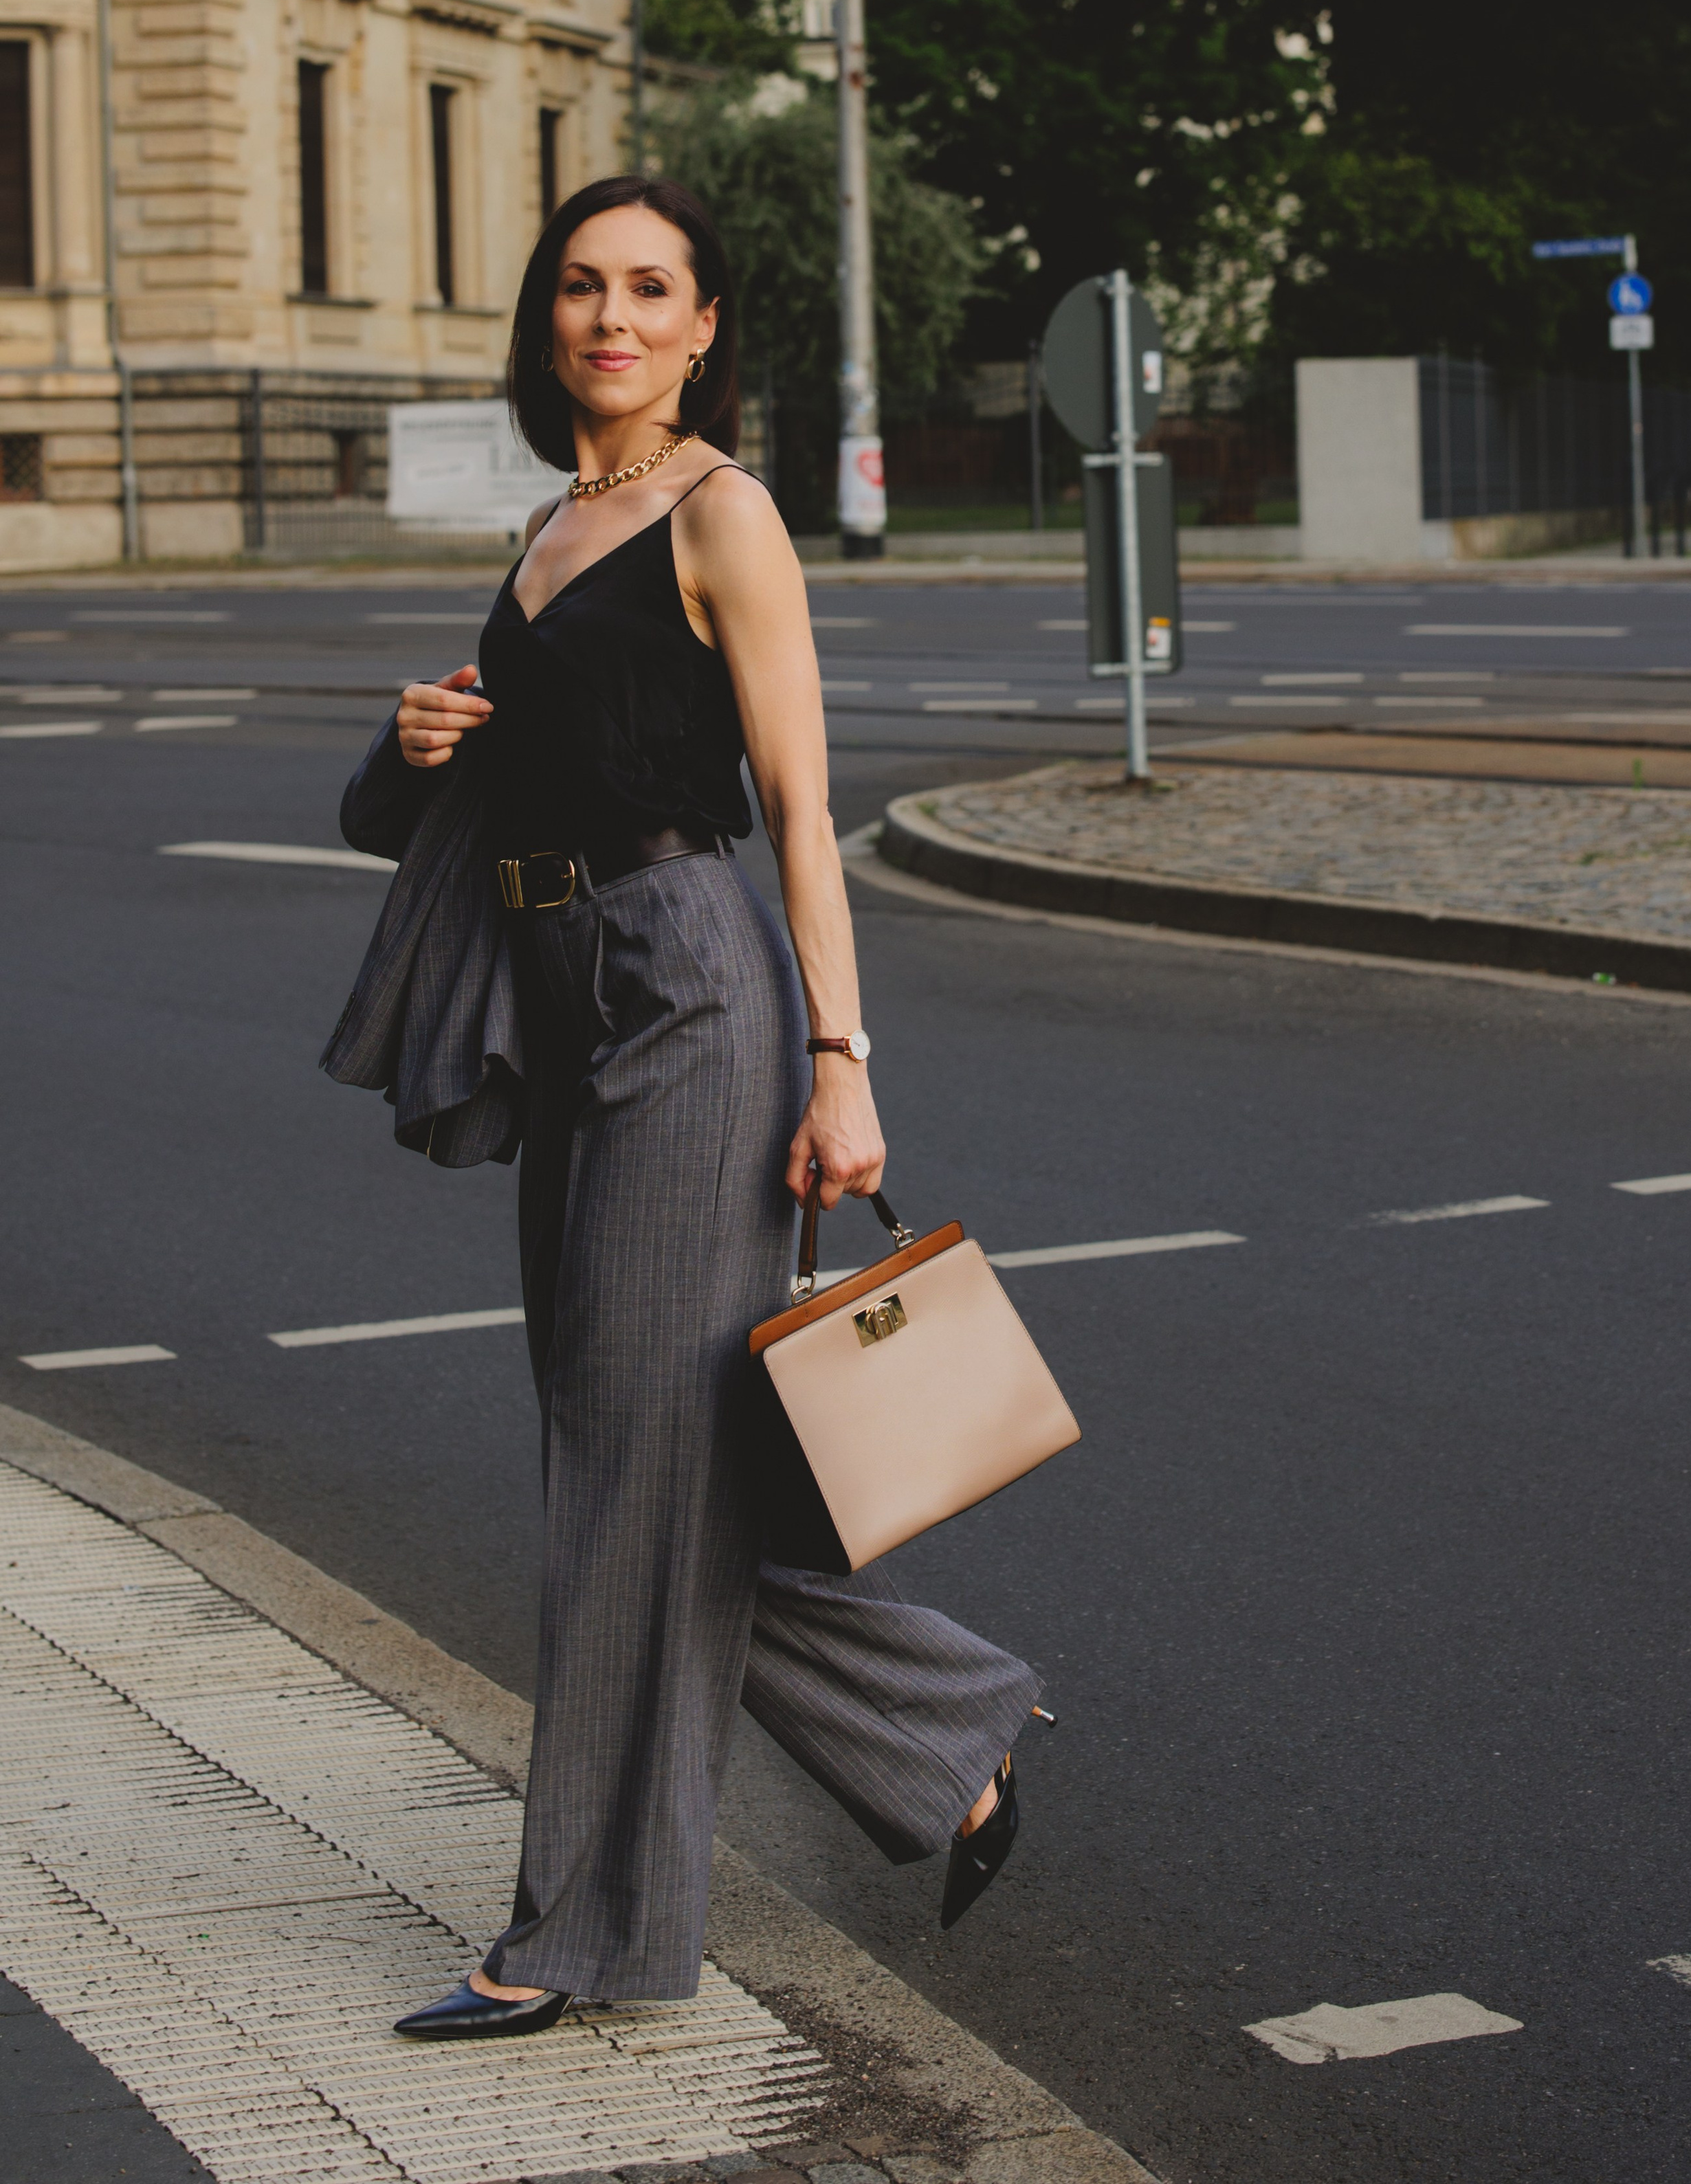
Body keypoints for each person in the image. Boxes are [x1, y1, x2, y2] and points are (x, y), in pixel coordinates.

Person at [382, 176, 1041, 2042]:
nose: (609, 314)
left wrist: (844, 1058)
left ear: (702, 328)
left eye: (648, 288)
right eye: (581, 286)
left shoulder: (722, 513)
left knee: (620, 1472)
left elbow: (797, 800)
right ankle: (947, 1735)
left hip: (688, 990)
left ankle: (570, 1938)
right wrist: (424, 733)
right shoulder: (548, 523)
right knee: (649, 1465)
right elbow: (491, 782)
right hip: (559, 1004)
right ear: (550, 321)